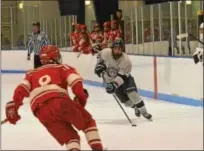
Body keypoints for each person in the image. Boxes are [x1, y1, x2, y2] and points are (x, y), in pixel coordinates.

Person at [5, 45, 104, 150]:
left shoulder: (31, 74)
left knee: (70, 138)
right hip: (60, 101)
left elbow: (20, 90)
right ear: (55, 57)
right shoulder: (62, 68)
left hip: (40, 111)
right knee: (88, 123)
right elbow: (76, 83)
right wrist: (81, 99)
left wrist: (14, 106)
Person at [94, 38, 152, 120]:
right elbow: (99, 58)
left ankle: (144, 112)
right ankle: (135, 107)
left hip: (125, 79)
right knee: (127, 103)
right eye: (116, 48)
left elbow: (121, 77)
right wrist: (99, 66)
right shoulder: (106, 52)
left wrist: (113, 85)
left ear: (122, 49)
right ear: (112, 48)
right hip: (111, 80)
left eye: (119, 49)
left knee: (132, 94)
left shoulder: (126, 61)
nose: (117, 50)